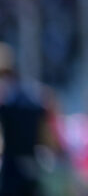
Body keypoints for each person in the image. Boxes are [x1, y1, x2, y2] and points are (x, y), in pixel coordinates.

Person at [0, 43, 57, 196]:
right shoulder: (36, 97)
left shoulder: (5, 99)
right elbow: (49, 139)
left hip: (11, 170)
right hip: (32, 166)